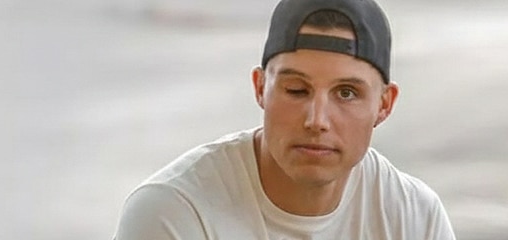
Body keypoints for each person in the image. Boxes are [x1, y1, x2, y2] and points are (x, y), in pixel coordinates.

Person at [113, 0, 455, 239]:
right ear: (261, 88)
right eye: (296, 89)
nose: (317, 120)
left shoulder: (412, 216)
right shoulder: (175, 212)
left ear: (384, 104)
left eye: (346, 93)